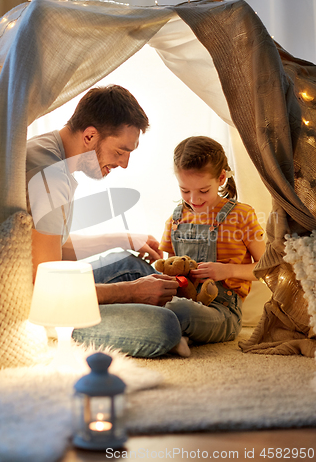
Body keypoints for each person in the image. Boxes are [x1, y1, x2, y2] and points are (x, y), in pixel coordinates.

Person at [26, 84, 182, 358]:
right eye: (120, 152)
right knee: (164, 326)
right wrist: (131, 293)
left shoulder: (49, 152)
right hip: (36, 303)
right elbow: (45, 283)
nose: (124, 164)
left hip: (45, 280)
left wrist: (127, 239)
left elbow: (52, 246)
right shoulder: (51, 175)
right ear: (90, 135)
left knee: (130, 262)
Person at [159, 136, 266, 356]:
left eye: (203, 191)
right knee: (158, 304)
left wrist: (228, 270)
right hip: (182, 297)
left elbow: (268, 267)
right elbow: (167, 266)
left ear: (221, 178)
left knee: (179, 312)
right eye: (185, 190)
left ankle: (171, 334)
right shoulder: (175, 219)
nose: (194, 199)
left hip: (223, 310)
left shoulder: (241, 215)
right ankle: (173, 334)